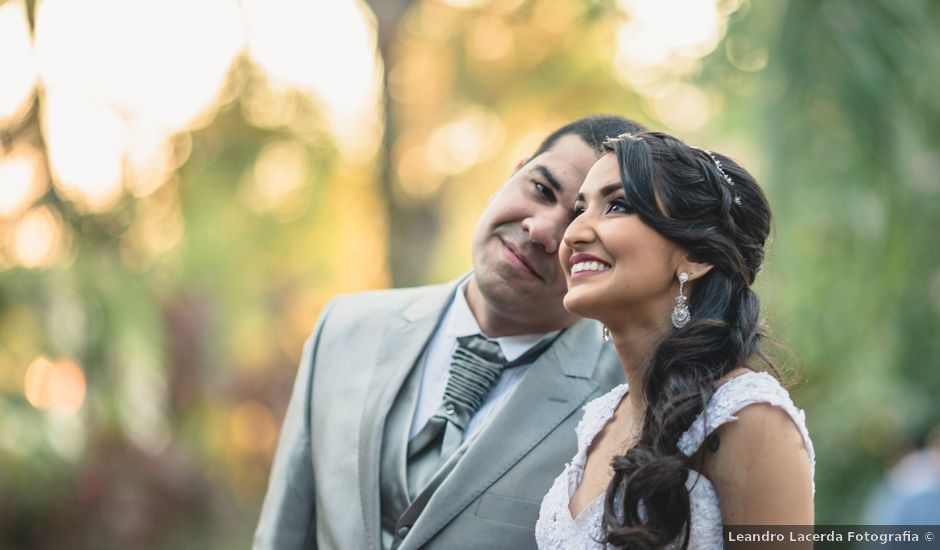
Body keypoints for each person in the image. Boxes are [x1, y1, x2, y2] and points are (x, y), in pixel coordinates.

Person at [253, 115, 645, 550]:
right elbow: (284, 533)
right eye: (540, 189)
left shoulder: (626, 400)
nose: (542, 230)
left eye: (577, 221)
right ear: (513, 173)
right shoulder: (343, 328)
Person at [535, 131, 815, 549]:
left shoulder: (746, 419)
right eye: (581, 208)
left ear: (696, 255)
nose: (573, 233)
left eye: (617, 205)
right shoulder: (600, 418)